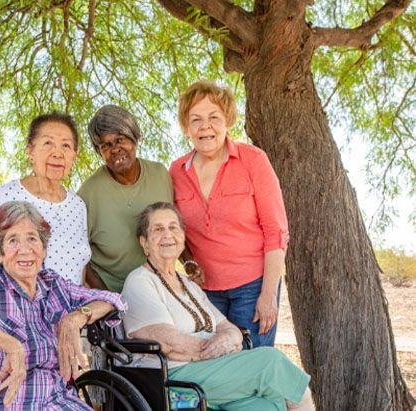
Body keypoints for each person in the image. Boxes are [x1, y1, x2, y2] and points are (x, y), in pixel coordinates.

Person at [0, 201, 126, 410]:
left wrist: (76, 317)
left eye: (32, 239)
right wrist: (12, 346)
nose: (25, 250)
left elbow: (113, 300)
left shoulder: (54, 285)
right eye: (13, 240)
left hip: (55, 400)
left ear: (43, 249)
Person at [122, 203, 314, 411]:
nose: (168, 234)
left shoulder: (188, 284)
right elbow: (170, 343)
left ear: (183, 237)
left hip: (210, 369)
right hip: (175, 375)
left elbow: (228, 328)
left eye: (173, 227)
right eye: (158, 229)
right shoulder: (140, 282)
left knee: (268, 405)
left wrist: (229, 339)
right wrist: (219, 349)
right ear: (144, 242)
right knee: (271, 361)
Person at [169, 80, 289, 347]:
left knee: (251, 367)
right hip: (204, 293)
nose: (205, 126)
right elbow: (175, 230)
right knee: (215, 369)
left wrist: (268, 295)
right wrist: (188, 263)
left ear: (227, 122)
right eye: (196, 119)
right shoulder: (176, 171)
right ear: (186, 128)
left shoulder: (253, 160)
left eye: (214, 117)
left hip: (253, 287)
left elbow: (276, 232)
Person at [0, 112, 91, 285]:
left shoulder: (78, 205)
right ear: (31, 151)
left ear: (74, 155)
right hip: (19, 309)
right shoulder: (7, 195)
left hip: (72, 308)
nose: (57, 153)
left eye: (66, 146)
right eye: (48, 143)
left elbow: (80, 267)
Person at [78, 104, 174, 292]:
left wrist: (187, 263)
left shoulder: (160, 175)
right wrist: (108, 298)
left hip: (160, 286)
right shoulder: (88, 193)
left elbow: (175, 227)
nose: (115, 149)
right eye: (105, 145)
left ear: (134, 137)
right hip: (114, 292)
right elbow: (78, 255)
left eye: (120, 139)